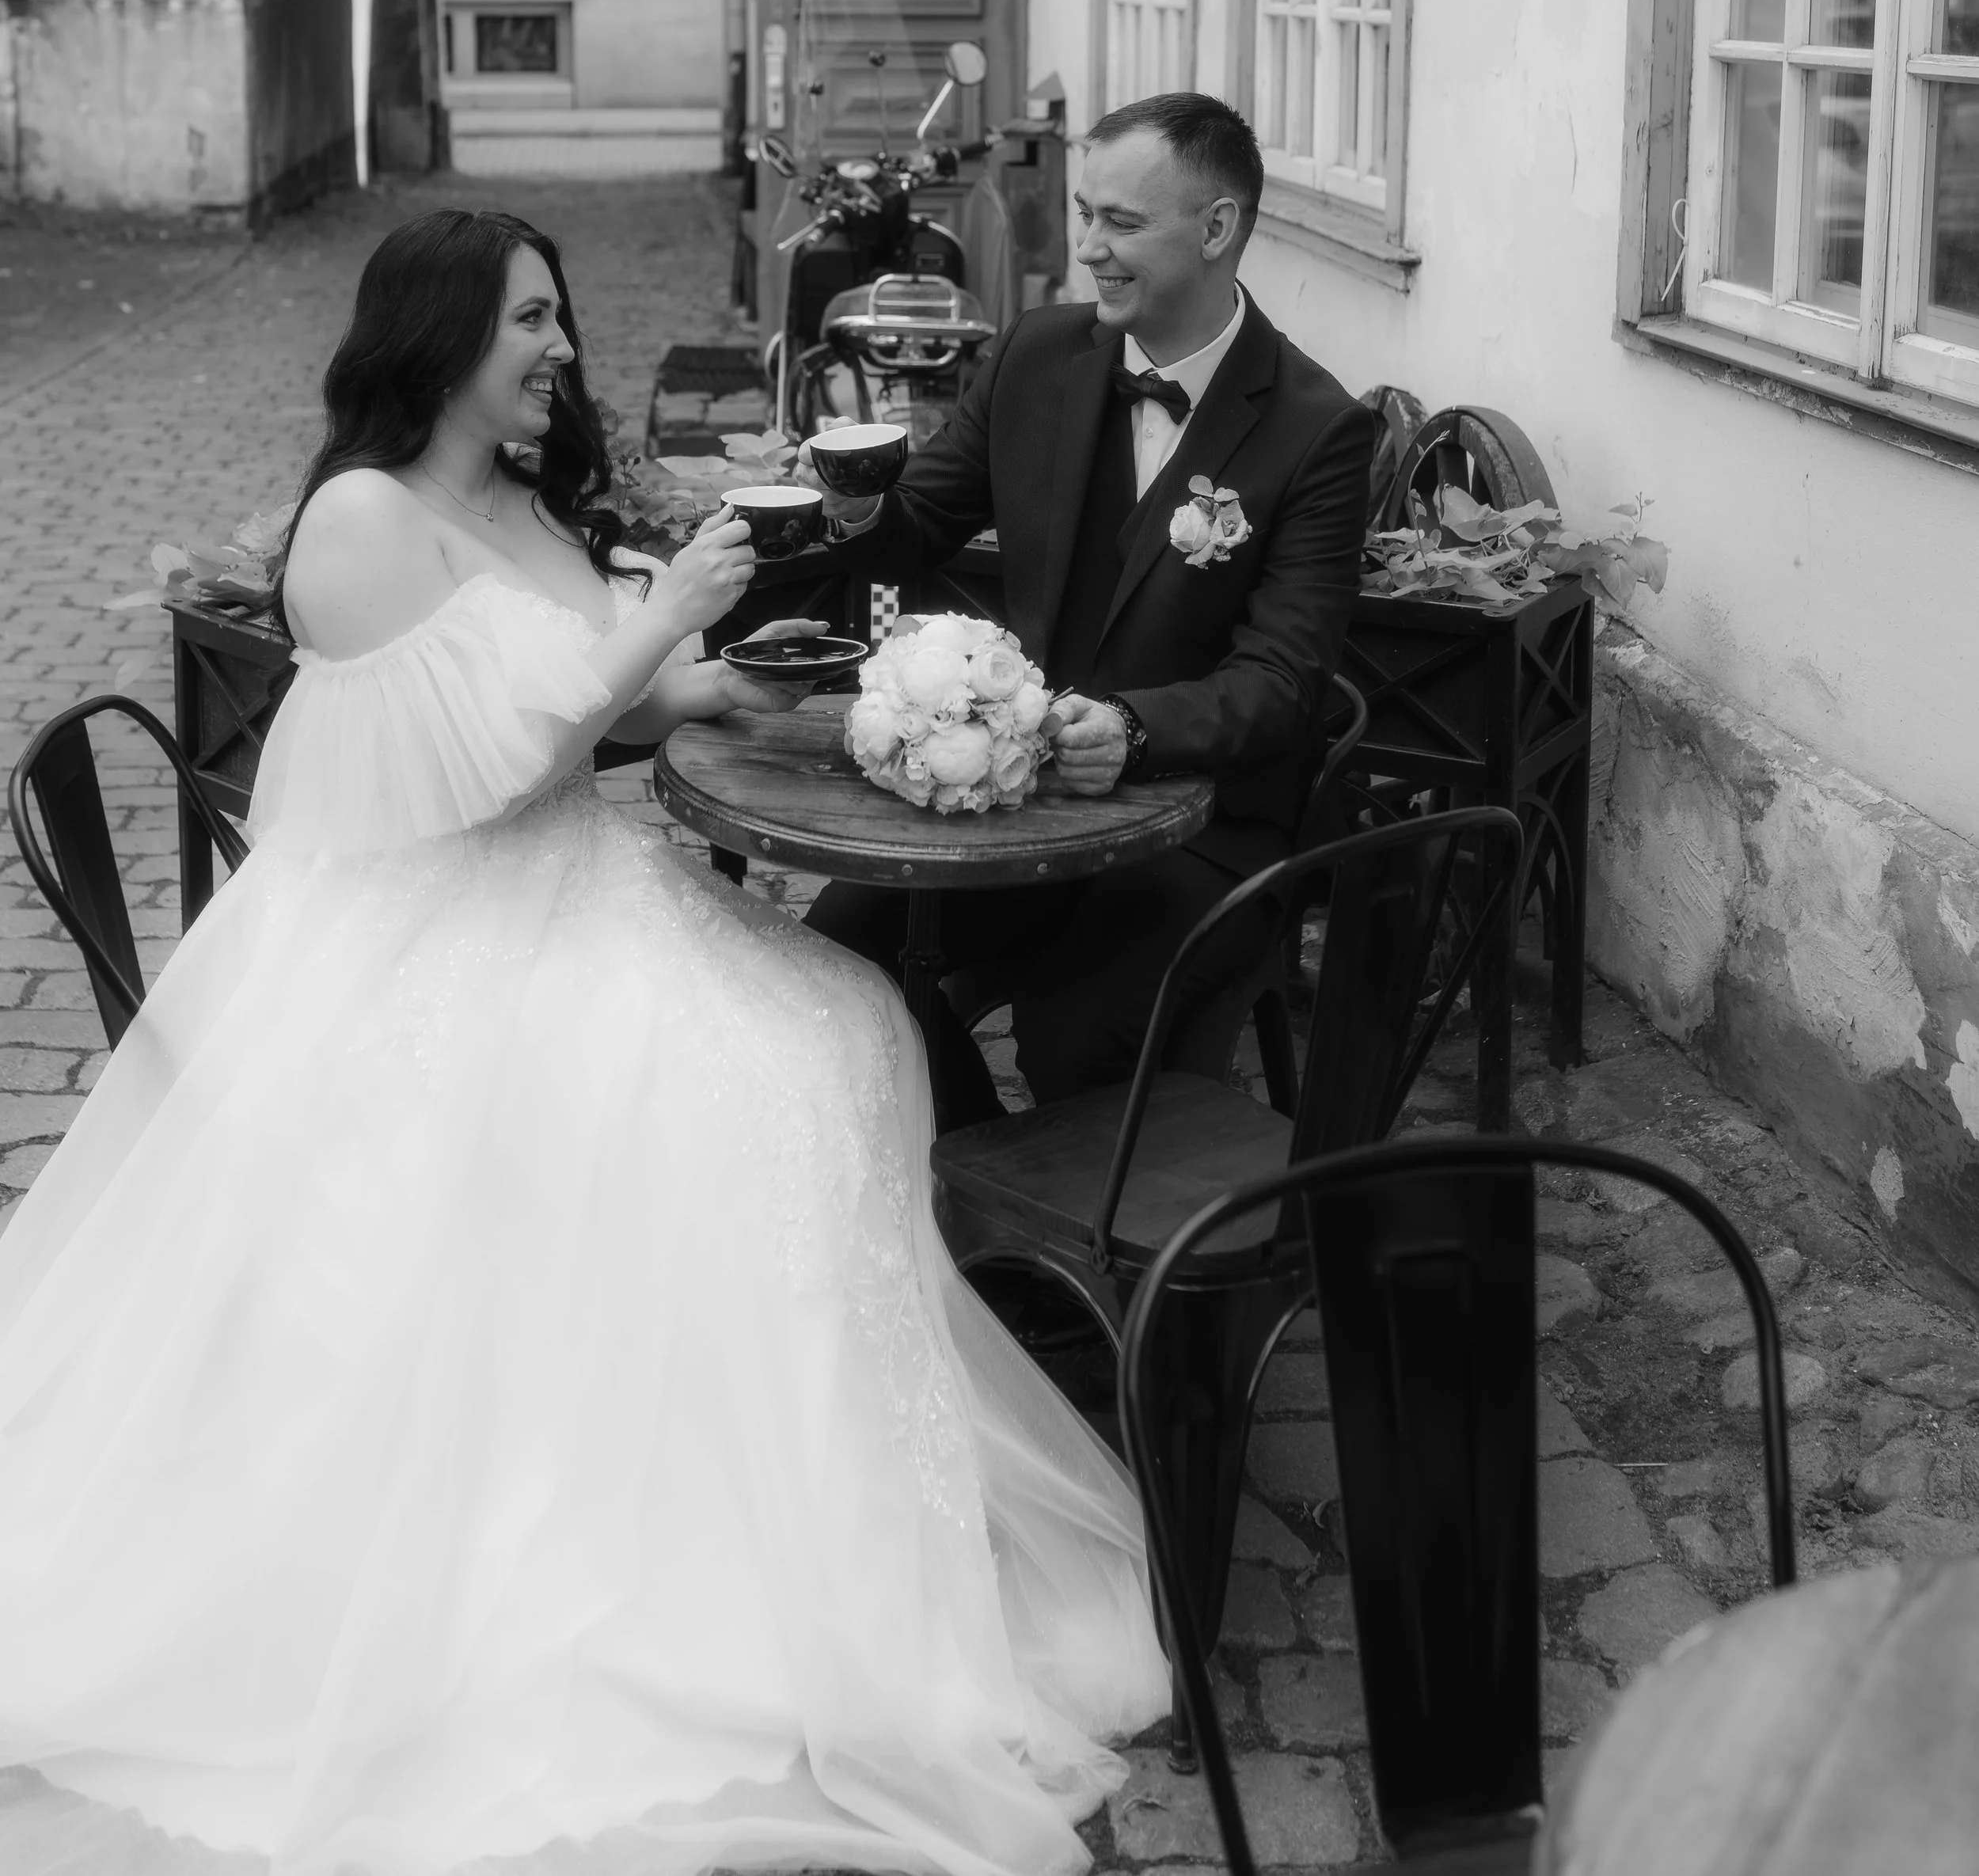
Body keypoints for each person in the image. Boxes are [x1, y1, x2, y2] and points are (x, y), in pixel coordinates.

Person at [0, 210, 1165, 1876]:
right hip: (427, 933)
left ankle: (791, 1534)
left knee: (839, 1023)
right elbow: (469, 775)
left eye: (556, 316)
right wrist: (660, 613)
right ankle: (649, 1570)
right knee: (752, 1077)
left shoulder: (512, 504)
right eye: (529, 318)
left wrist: (724, 689)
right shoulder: (358, 520)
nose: (558, 346)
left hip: (570, 888)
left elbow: (593, 707)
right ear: (441, 333)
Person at [804, 93, 1375, 1131]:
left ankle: (1087, 1251)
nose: (1089, 249)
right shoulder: (1036, 354)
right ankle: (975, 1199)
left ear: (1217, 228)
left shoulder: (1319, 428)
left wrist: (1139, 730)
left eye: (1120, 223)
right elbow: (918, 523)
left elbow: (1283, 682)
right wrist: (850, 502)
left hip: (1200, 831)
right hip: (1022, 803)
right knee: (834, 953)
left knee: (1072, 1036)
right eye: (1084, 214)